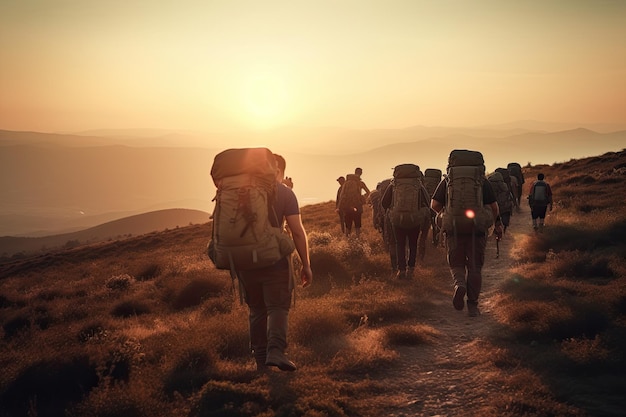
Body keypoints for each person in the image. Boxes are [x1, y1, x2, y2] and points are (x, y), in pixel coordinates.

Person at [238, 154, 313, 372]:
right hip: (275, 261)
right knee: (278, 306)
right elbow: (297, 232)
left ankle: (261, 361)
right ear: (277, 170)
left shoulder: (238, 191)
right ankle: (276, 351)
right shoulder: (285, 193)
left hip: (246, 262)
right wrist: (306, 264)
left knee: (257, 310)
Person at [430, 166, 503, 317]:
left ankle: (459, 284)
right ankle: (473, 306)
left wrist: (449, 214)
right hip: (477, 230)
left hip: (454, 230)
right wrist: (496, 223)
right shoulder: (482, 181)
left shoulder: (448, 181)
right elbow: (494, 207)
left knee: (456, 262)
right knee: (475, 267)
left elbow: (434, 205)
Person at [381, 175, 431, 279]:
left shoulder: (393, 185)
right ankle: (411, 270)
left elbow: (384, 202)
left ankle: (401, 270)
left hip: (397, 220)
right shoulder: (418, 185)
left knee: (400, 244)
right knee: (413, 244)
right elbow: (427, 201)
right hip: (415, 219)